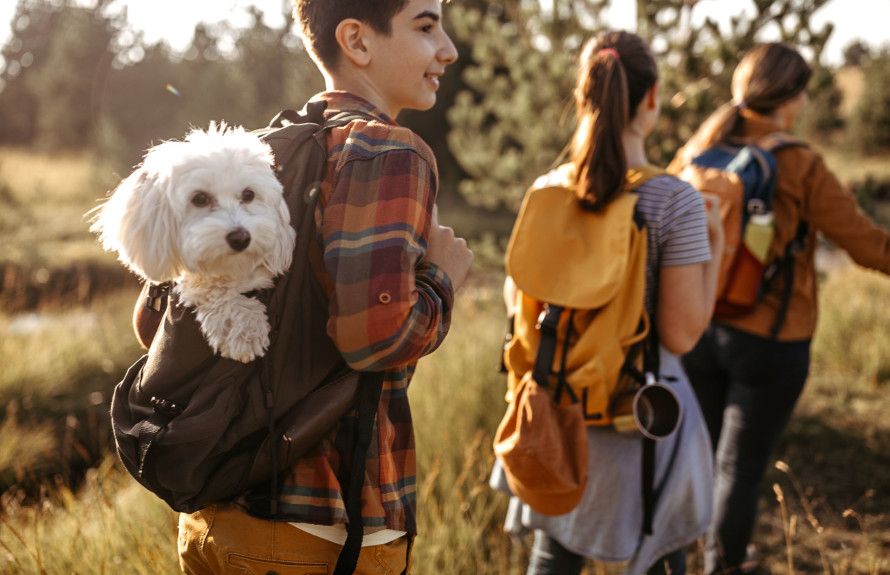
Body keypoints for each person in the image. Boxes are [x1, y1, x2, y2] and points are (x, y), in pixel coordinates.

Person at [176, 1, 472, 573]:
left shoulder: (257, 150)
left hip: (214, 517)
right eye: (426, 25)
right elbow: (375, 339)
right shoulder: (391, 150)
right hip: (321, 532)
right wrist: (442, 280)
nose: (449, 49)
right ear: (357, 42)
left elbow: (157, 314)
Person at [492, 31, 725, 575]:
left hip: (551, 416)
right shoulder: (675, 202)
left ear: (584, 94)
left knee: (553, 556)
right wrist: (713, 247)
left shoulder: (548, 189)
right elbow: (682, 335)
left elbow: (517, 298)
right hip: (639, 424)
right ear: (652, 97)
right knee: (666, 557)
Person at [670, 42, 890, 574]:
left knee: (693, 461)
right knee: (739, 472)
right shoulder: (799, 163)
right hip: (771, 339)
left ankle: (674, 561)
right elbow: (865, 245)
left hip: (695, 329)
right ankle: (721, 567)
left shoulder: (697, 150)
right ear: (791, 97)